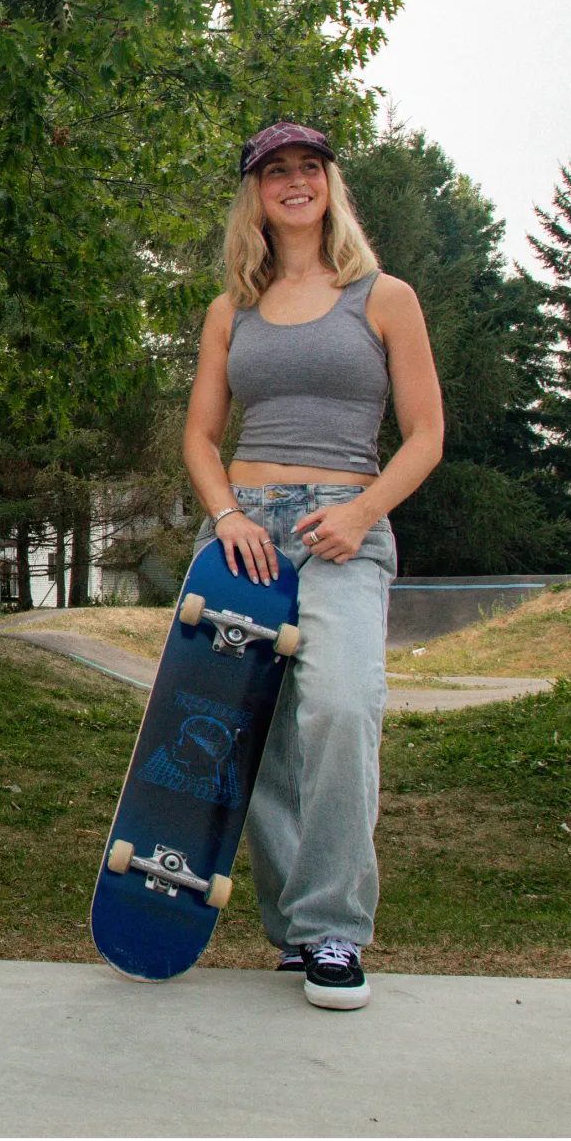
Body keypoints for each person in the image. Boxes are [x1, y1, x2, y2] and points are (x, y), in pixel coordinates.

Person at [183, 121, 443, 1011]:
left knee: (339, 706)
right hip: (243, 533)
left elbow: (425, 436)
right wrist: (223, 517)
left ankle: (336, 927)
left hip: (343, 531)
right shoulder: (233, 310)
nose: (293, 183)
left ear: (329, 185)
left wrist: (363, 511)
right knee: (255, 734)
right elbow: (198, 436)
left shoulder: (382, 297)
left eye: (308, 168)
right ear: (254, 194)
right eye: (274, 172)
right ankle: (296, 935)